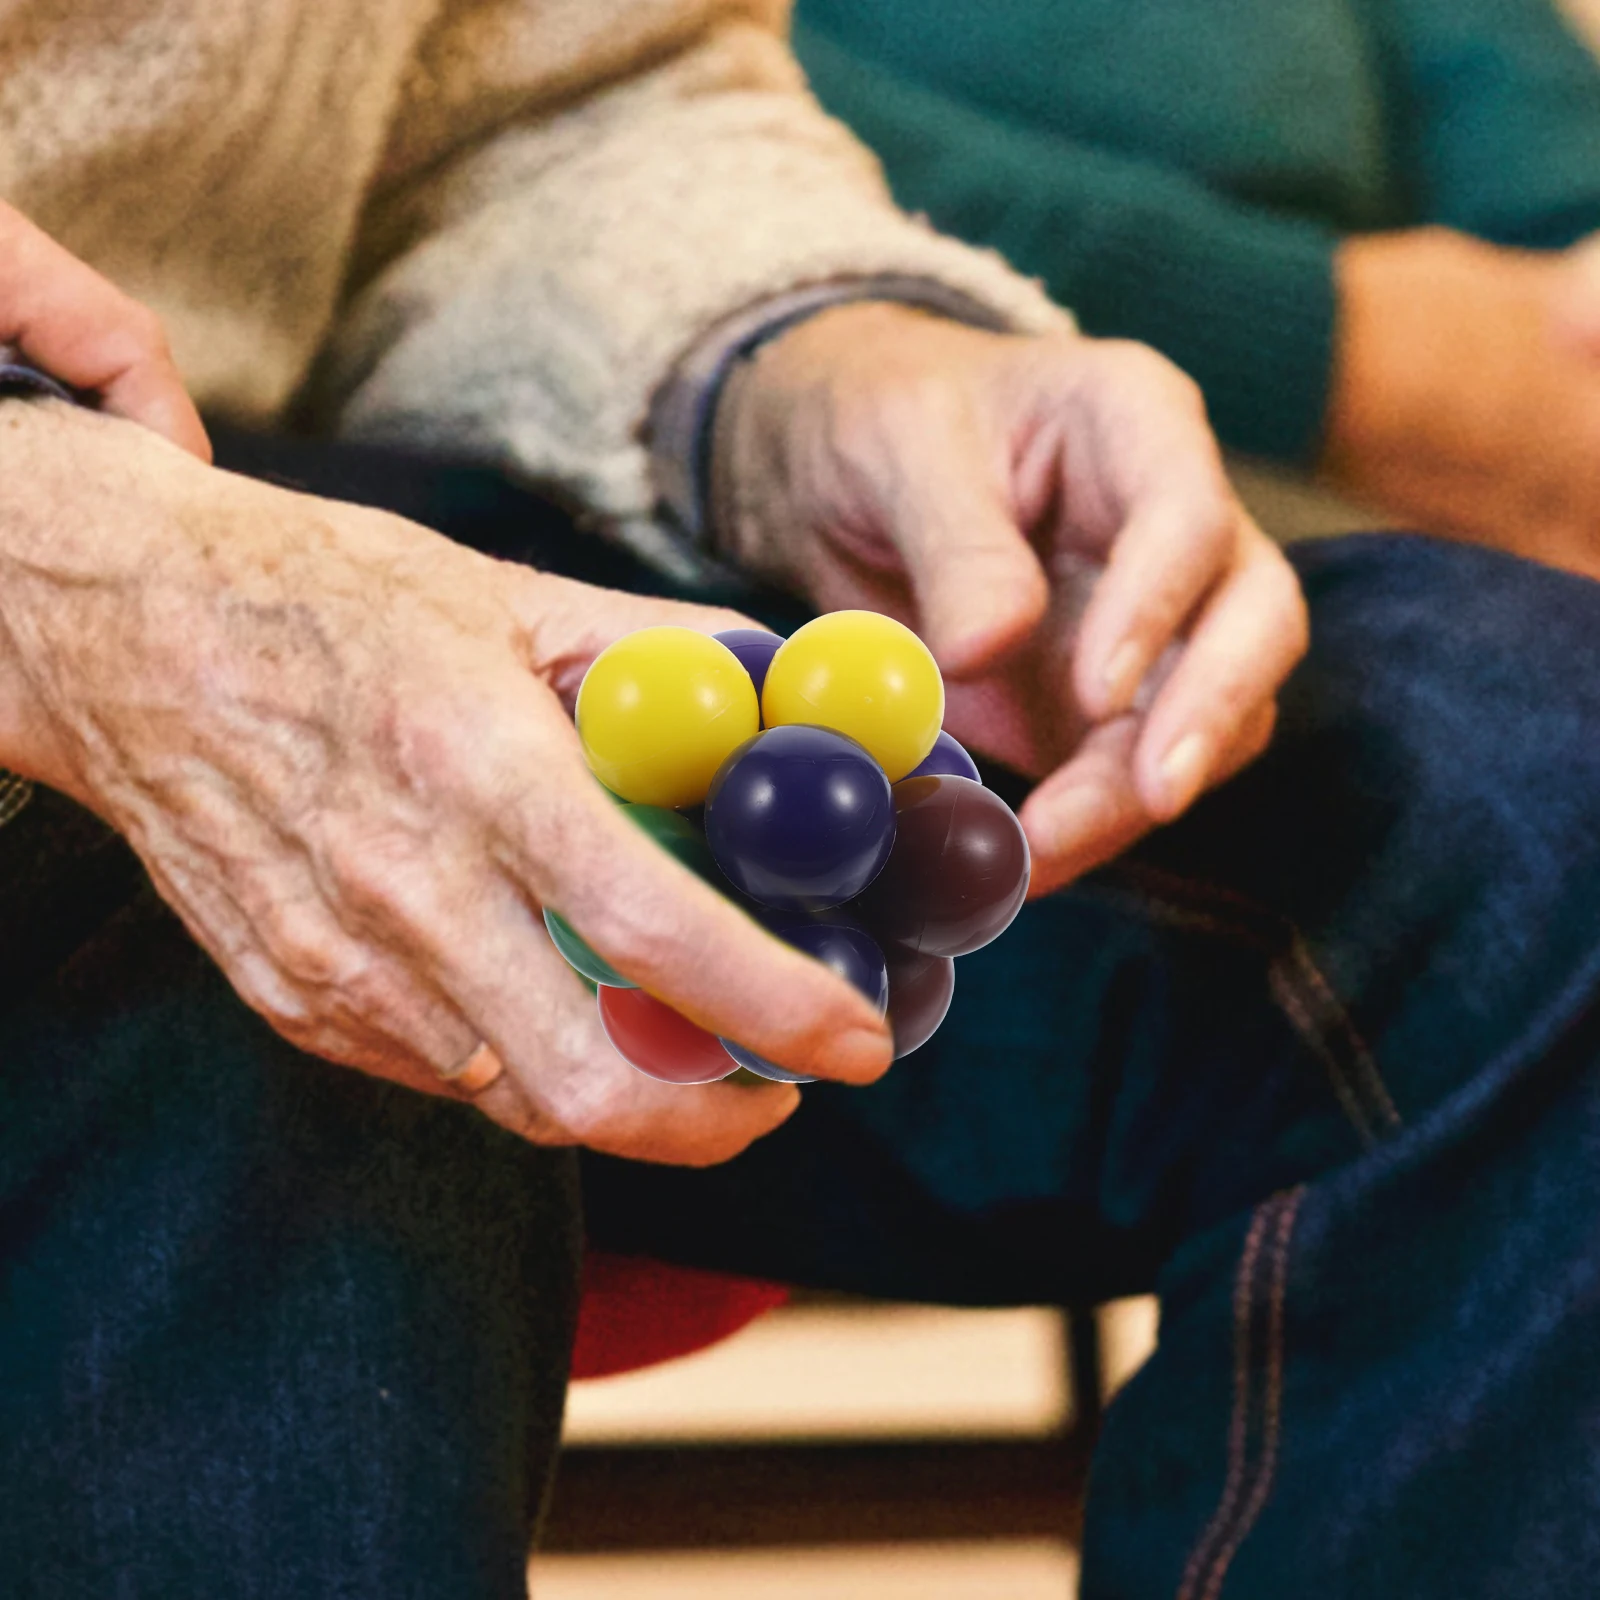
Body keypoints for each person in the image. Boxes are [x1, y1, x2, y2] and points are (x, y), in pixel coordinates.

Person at [0, 3, 1304, 1593]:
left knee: (1512, 822)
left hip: (309, 509)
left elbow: (553, 100)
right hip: (125, 608)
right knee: (304, 865)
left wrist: (807, 358)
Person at [792, 0, 1600, 575]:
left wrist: (1575, 258)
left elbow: (1497, 67)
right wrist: (1325, 346)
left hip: (1494, 357)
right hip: (1035, 413)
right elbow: (746, 117)